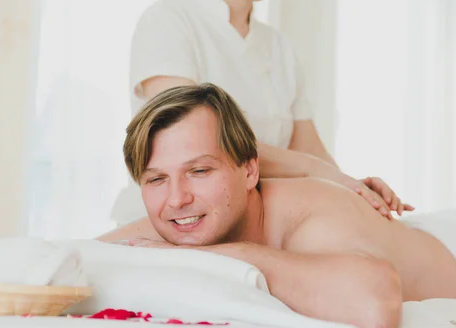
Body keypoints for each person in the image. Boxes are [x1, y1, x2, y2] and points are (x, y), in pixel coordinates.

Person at [98, 83, 456, 328]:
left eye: (200, 171)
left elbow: (375, 312)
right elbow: (69, 258)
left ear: (249, 171)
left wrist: (217, 254)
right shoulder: (179, 215)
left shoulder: (311, 217)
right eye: (156, 179)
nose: (176, 199)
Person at [111, 0, 414, 224]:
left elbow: (307, 147)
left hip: (258, 222)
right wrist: (317, 171)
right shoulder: (168, 20)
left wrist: (356, 189)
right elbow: (188, 143)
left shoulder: (277, 45)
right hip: (180, 220)